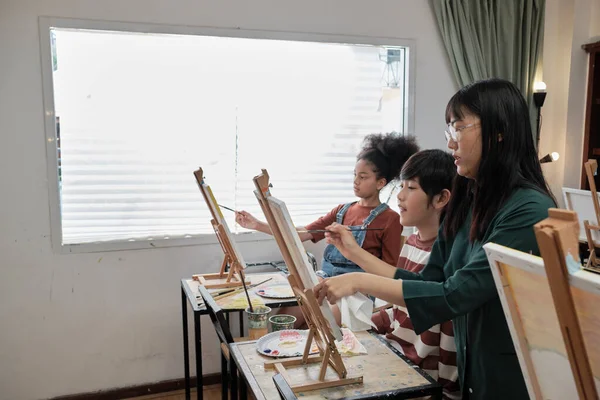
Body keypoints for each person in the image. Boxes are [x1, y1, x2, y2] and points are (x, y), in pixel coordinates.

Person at [315, 78, 556, 400]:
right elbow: (429, 282)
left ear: (499, 132)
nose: (451, 143)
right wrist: (356, 260)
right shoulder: (470, 198)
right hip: (471, 363)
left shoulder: (529, 209)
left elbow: (453, 296)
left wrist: (360, 280)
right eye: (449, 131)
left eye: (459, 128)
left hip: (506, 372)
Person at [235, 132, 419, 276]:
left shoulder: (390, 219)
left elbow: (389, 272)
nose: (356, 181)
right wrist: (256, 224)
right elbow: (299, 234)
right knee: (289, 312)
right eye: (354, 175)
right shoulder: (341, 211)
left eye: (363, 177)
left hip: (360, 293)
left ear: (381, 183)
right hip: (326, 280)